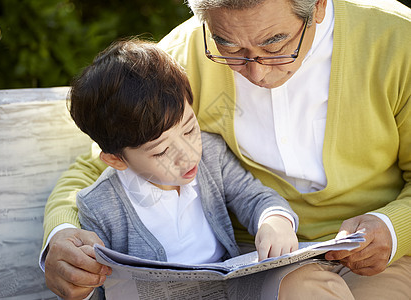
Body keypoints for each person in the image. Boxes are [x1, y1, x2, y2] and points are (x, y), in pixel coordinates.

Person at [40, 0, 411, 299]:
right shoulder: (184, 54)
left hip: (373, 255)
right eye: (229, 47)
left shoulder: (397, 40)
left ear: (316, 6)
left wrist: (394, 228)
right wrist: (61, 237)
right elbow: (91, 170)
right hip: (253, 263)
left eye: (275, 44)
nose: (256, 72)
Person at [67, 39, 298, 299]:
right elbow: (94, 286)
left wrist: (274, 221)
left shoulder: (211, 155)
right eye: (161, 151)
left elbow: (253, 196)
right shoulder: (99, 206)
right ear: (117, 160)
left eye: (189, 129)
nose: (187, 155)